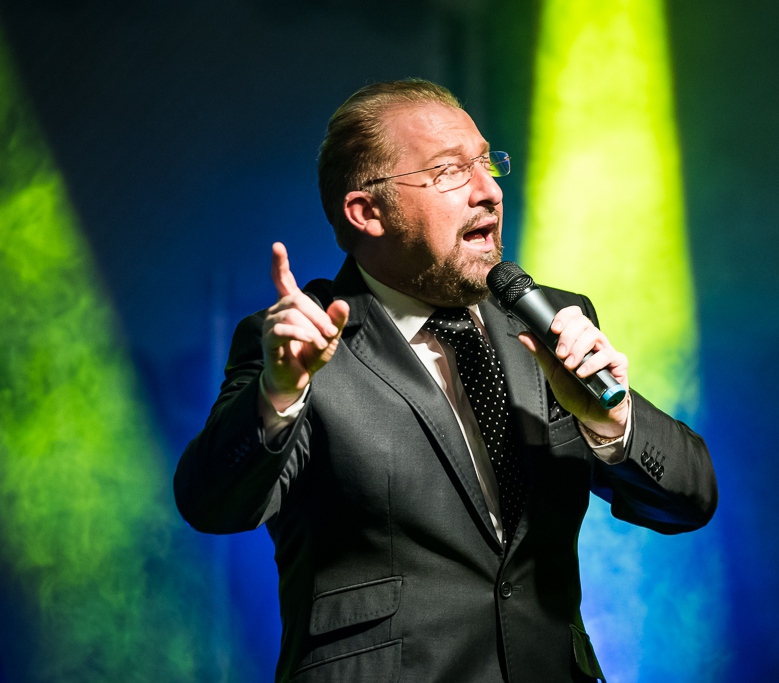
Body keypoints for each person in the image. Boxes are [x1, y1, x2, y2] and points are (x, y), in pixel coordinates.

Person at [174, 79, 717, 683]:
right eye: (450, 171)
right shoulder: (301, 344)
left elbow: (689, 502)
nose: (489, 191)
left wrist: (610, 421)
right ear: (367, 213)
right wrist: (278, 395)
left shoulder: (551, 321)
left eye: (487, 163)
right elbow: (212, 505)